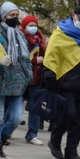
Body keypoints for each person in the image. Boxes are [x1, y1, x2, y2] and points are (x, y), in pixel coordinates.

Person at [43, 5, 80, 159]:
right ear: (73, 15)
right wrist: (50, 77)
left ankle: (71, 151)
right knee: (68, 113)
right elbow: (51, 54)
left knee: (79, 119)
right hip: (66, 82)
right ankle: (55, 140)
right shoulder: (61, 33)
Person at [0, 2, 31, 157]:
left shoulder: (19, 34)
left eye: (17, 15)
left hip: (16, 82)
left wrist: (28, 74)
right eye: (12, 15)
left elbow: (25, 58)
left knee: (17, 117)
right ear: (3, 16)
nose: (15, 18)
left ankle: (2, 137)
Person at [20, 14, 47, 144]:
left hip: (36, 78)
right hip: (21, 77)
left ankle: (32, 134)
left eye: (35, 25)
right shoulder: (19, 38)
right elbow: (20, 57)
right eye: (30, 26)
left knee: (35, 107)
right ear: (24, 27)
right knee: (13, 107)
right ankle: (5, 131)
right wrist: (35, 60)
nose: (33, 28)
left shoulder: (40, 41)